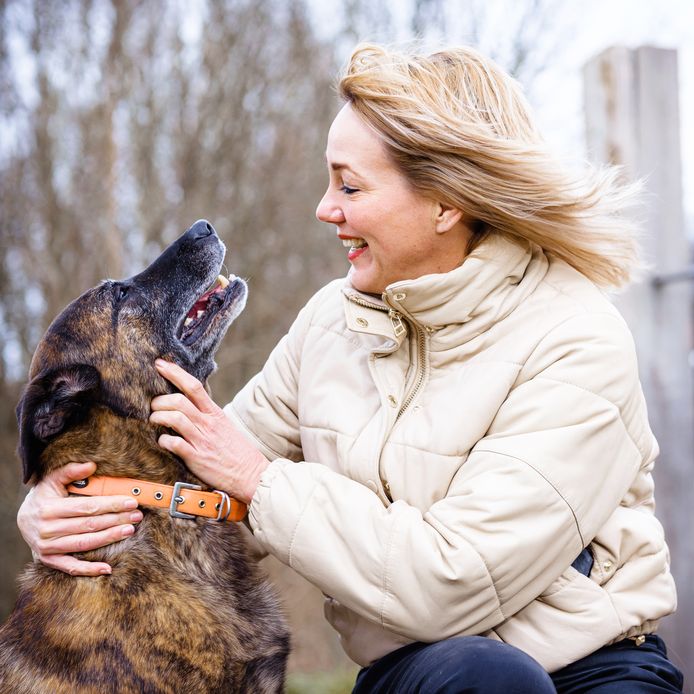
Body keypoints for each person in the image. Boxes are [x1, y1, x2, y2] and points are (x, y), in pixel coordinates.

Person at [17, 43, 683, 693]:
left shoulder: (577, 338)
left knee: (493, 675)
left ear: (446, 203)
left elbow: (450, 580)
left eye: (350, 185)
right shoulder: (328, 325)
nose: (324, 208)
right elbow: (199, 499)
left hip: (592, 671)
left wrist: (263, 480)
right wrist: (61, 507)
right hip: (421, 674)